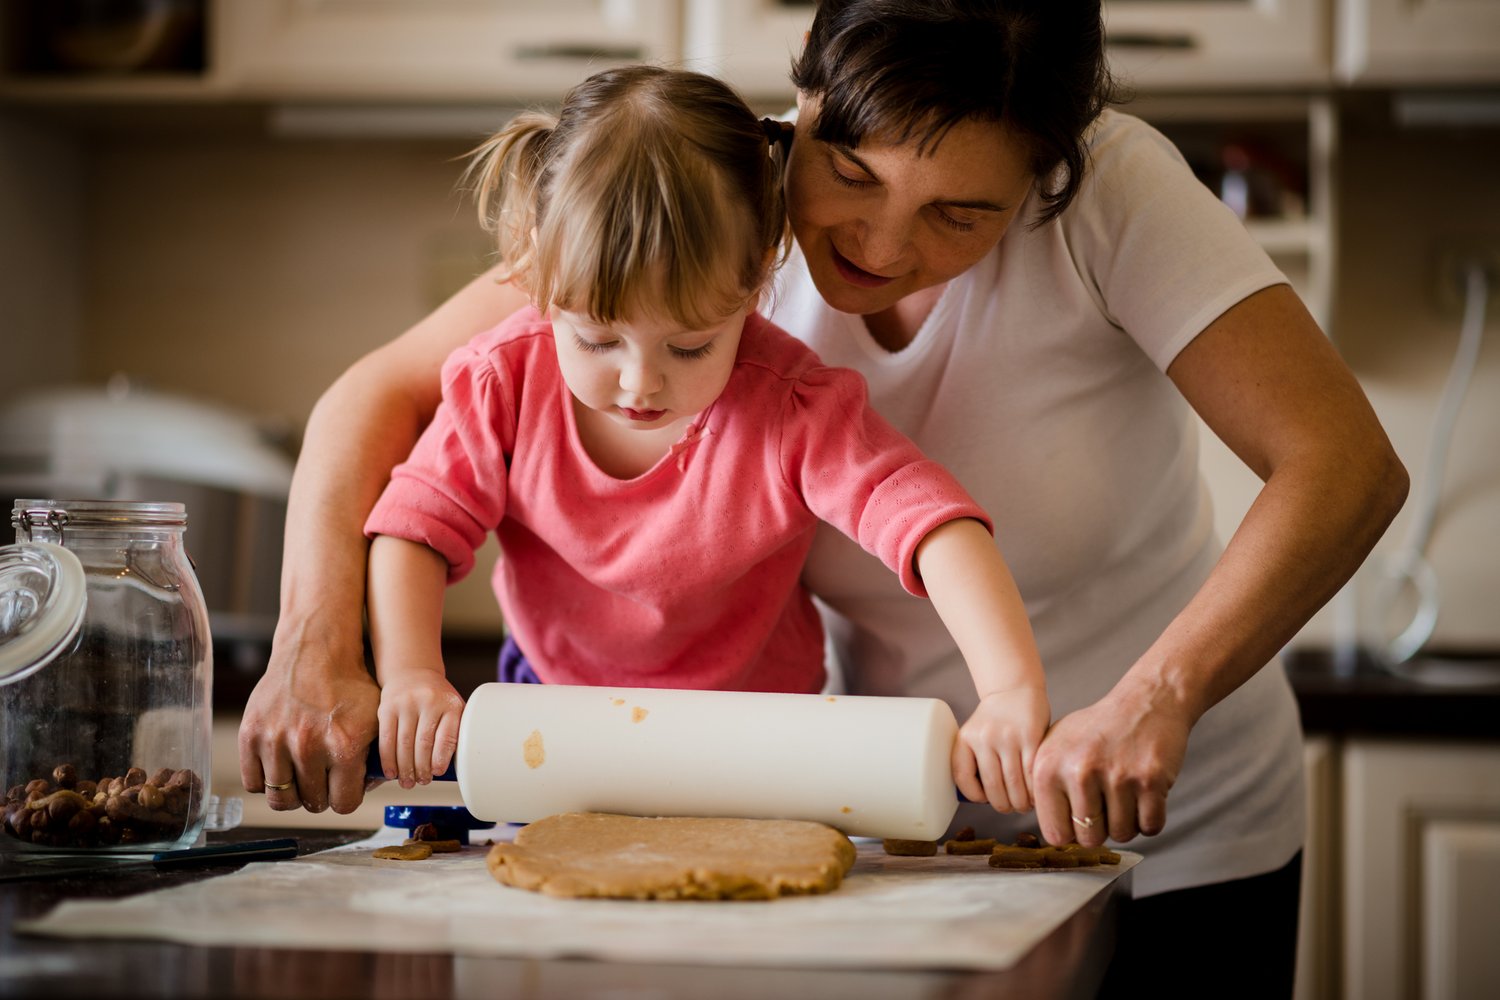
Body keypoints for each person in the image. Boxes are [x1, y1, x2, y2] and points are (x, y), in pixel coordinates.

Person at [240, 2, 1407, 994]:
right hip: (894, 821)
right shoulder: (711, 202)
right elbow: (382, 396)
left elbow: (1345, 466)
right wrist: (321, 645)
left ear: (1049, 174)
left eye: (963, 214)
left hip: (1165, 819)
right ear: (800, 97)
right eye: (846, 172)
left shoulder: (1116, 193)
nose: (880, 245)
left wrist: (1156, 695)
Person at [360, 65, 1049, 813]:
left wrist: (1010, 689)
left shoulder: (790, 406)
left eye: (689, 348)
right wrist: (411, 676)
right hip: (556, 739)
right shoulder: (503, 383)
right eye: (596, 340)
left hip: (757, 752)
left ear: (756, 281)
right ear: (535, 271)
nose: (638, 385)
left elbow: (930, 523)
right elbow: (415, 530)